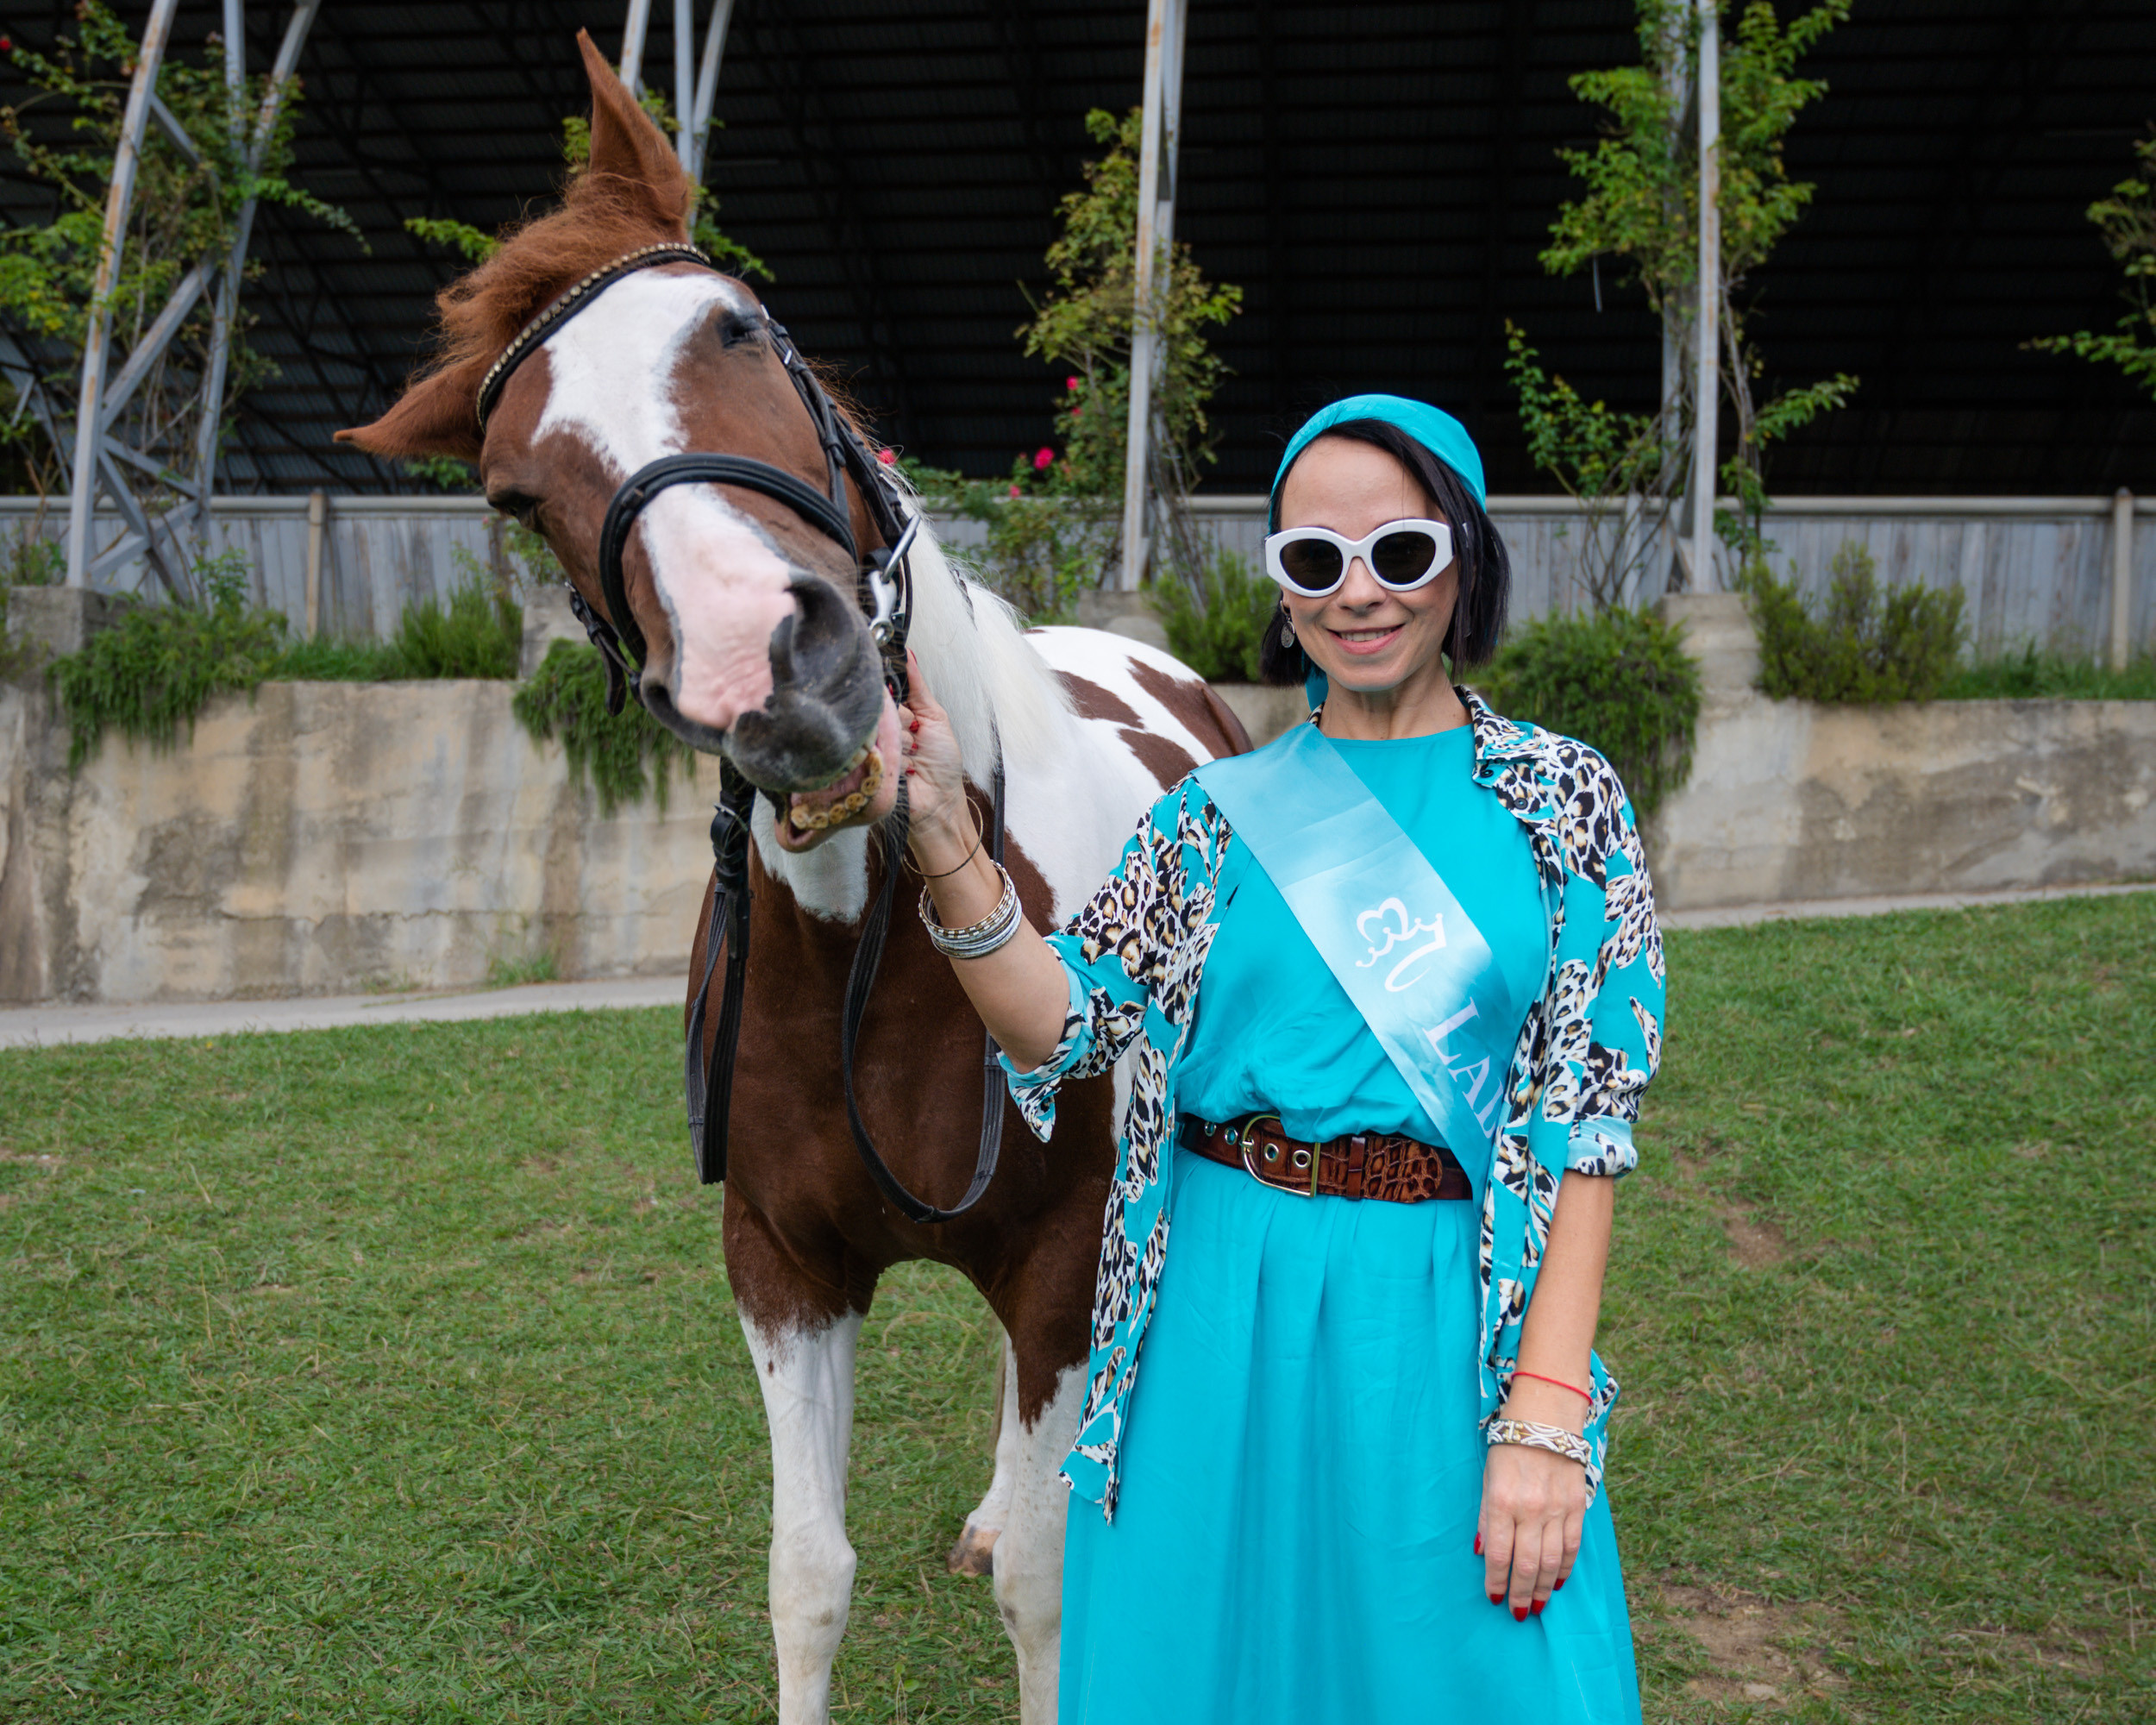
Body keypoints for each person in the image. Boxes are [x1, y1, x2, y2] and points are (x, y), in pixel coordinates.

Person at [898, 395, 1663, 1723]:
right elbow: (1058, 1022)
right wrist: (946, 838)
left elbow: (1582, 1126)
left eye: (1400, 553)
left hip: (1436, 1323)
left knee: (1475, 1674)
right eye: (1314, 561)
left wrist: (1543, 1418)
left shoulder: (1566, 803)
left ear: (1465, 559)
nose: (1358, 594)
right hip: (1210, 1310)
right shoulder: (1209, 823)